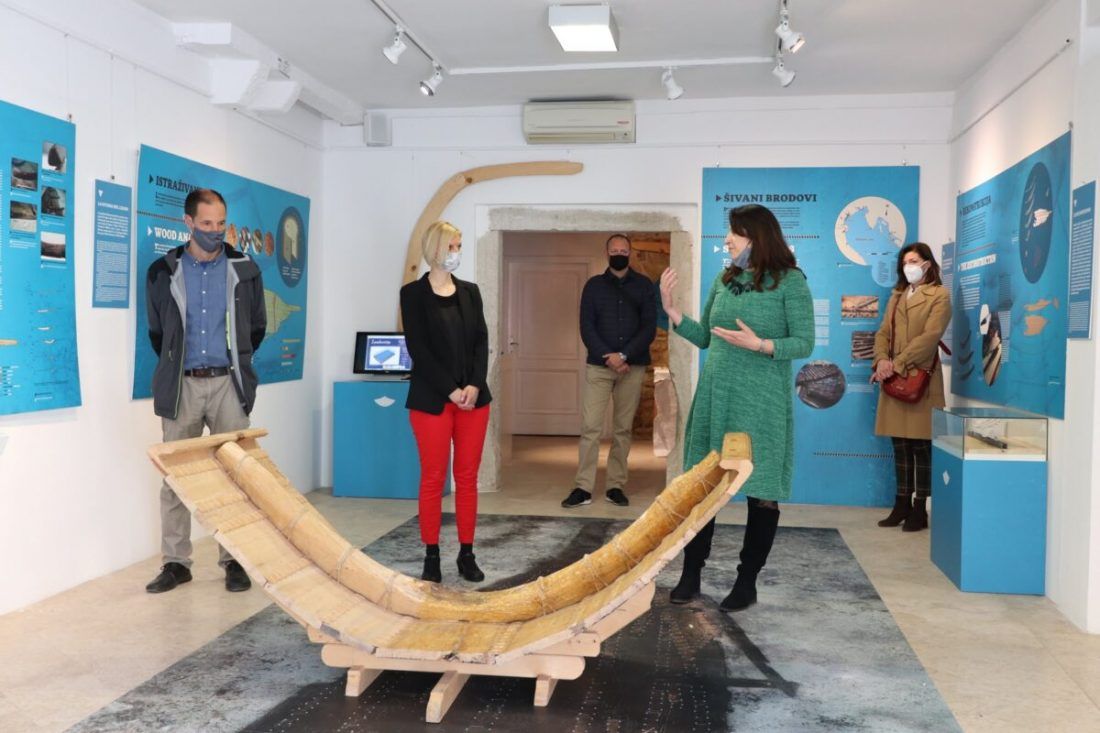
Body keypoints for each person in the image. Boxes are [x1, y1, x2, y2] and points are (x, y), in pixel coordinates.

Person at [660, 204, 814, 611]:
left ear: (757, 236)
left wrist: (761, 345)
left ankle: (747, 582)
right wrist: (673, 312)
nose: (727, 239)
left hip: (762, 402)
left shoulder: (791, 281)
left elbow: (804, 342)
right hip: (717, 396)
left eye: (735, 233)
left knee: (761, 493)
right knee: (703, 487)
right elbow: (707, 336)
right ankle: (691, 573)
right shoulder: (725, 279)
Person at [145, 188, 267, 594]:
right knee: (176, 478)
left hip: (228, 385)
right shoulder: (162, 271)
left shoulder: (245, 269)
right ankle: (176, 563)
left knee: (235, 476)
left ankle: (234, 560)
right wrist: (177, 364)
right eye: (207, 223)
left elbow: (256, 327)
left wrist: (237, 363)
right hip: (182, 387)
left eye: (221, 223)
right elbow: (158, 332)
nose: (215, 231)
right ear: (189, 222)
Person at [400, 221, 491, 584]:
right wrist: (451, 390)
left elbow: (481, 341)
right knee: (433, 478)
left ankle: (467, 554)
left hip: (474, 401)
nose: (456, 253)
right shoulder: (412, 294)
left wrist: (474, 384)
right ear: (435, 249)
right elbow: (418, 349)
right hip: (432, 401)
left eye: (459, 246)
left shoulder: (470, 292)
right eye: (451, 246)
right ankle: (432, 554)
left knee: (467, 478)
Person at [561, 234, 658, 509]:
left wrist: (624, 355)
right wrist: (610, 358)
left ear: (630, 253)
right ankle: (583, 488)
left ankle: (615, 486)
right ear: (607, 253)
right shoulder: (593, 286)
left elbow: (648, 327)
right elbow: (586, 326)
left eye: (623, 250)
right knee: (590, 427)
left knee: (622, 429)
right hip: (599, 366)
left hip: (632, 366)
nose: (619, 254)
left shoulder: (643, 286)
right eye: (614, 250)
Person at [871, 243, 951, 532]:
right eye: (905, 262)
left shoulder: (940, 295)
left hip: (921, 378)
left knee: (921, 447)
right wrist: (881, 360)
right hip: (894, 378)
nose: (909, 267)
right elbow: (883, 333)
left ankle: (920, 509)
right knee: (900, 445)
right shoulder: (897, 296)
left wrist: (897, 364)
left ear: (928, 263)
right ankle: (901, 504)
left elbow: (930, 337)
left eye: (914, 261)